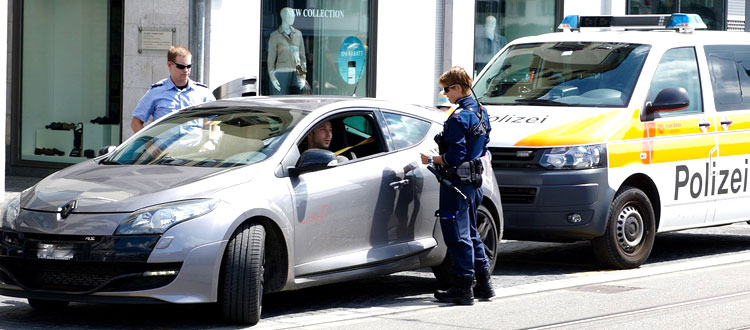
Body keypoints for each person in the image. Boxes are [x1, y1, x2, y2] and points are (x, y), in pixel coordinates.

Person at [420, 66, 494, 305]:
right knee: (471, 233)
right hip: (474, 181)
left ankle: (463, 288)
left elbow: (455, 157)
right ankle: (484, 283)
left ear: (458, 88)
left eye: (446, 90)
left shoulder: (460, 116)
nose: (445, 95)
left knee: (456, 235)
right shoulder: (481, 111)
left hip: (456, 183)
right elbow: (484, 146)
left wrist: (431, 159)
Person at [131, 45, 214, 133]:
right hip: (164, 146)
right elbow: (136, 122)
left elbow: (217, 118)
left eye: (189, 66)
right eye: (181, 66)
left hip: (193, 146)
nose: (186, 70)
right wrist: (150, 145)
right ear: (169, 65)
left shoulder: (202, 92)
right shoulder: (156, 92)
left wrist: (211, 141)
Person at [268, 7, 307, 95]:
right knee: (280, 101)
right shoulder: (275, 35)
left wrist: (303, 76)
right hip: (281, 73)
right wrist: (273, 78)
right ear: (283, 17)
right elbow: (271, 60)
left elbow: (302, 58)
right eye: (290, 15)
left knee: (296, 102)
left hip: (296, 73)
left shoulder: (298, 34)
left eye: (293, 15)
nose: (293, 17)